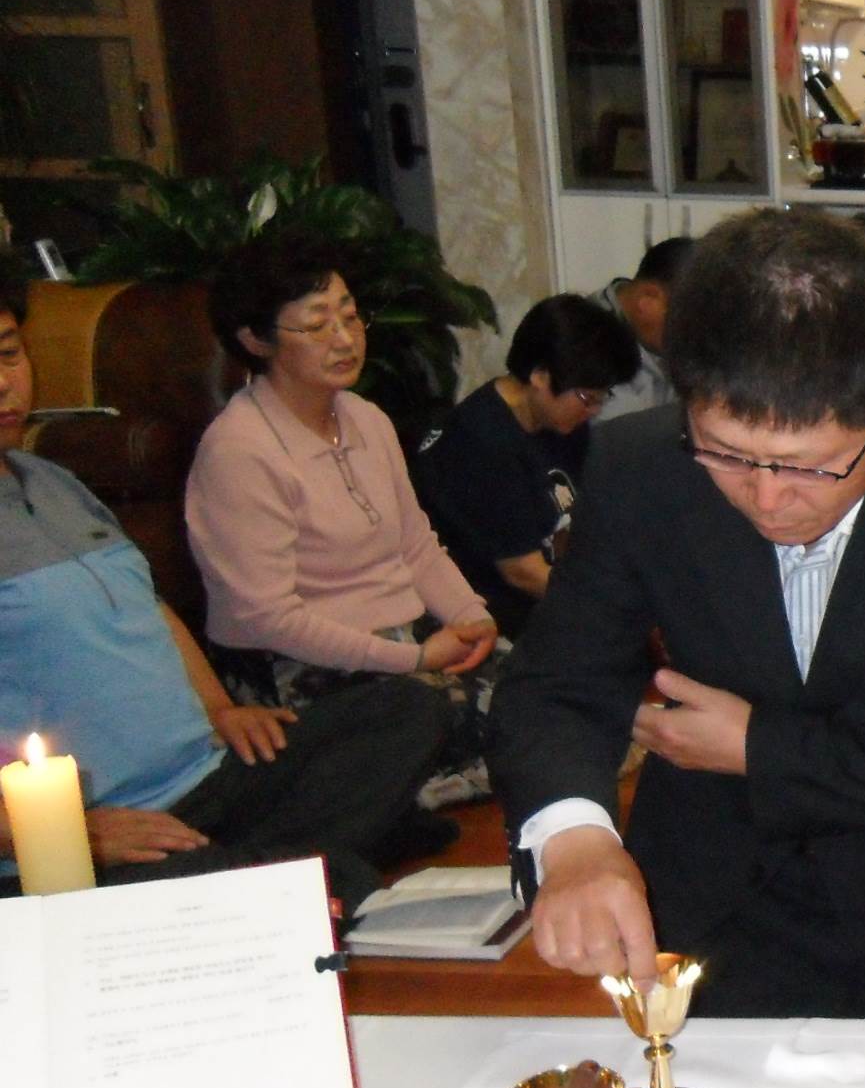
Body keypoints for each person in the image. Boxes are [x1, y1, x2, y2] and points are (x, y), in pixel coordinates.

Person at [491, 207, 865, 1019]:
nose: (766, 499)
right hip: (712, 909)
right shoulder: (638, 470)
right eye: (725, 454)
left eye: (810, 468)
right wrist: (575, 841)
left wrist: (760, 749)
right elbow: (557, 684)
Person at [0, 261, 448, 918]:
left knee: (408, 711)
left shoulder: (51, 483)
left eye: (9, 354)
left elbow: (147, 607)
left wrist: (220, 710)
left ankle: (268, 877)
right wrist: (73, 835)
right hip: (99, 834)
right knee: (328, 867)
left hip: (209, 776)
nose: (4, 383)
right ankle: (297, 872)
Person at [184, 233, 498, 802]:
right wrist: (412, 658)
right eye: (317, 325)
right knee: (475, 727)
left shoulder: (366, 419)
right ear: (256, 339)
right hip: (297, 666)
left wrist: (471, 616)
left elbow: (415, 545)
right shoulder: (239, 450)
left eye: (350, 317)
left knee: (550, 690)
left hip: (402, 644)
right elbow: (269, 618)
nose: (345, 339)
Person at [413, 293, 640, 635]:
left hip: (551, 590)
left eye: (601, 398)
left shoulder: (561, 423)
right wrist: (610, 610)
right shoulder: (481, 442)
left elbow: (586, 518)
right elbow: (523, 572)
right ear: (540, 375)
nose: (594, 411)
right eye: (587, 398)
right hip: (488, 611)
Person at [590, 236, 691, 421]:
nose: (691, 335)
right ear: (648, 299)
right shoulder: (587, 342)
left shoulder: (652, 337)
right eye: (685, 320)